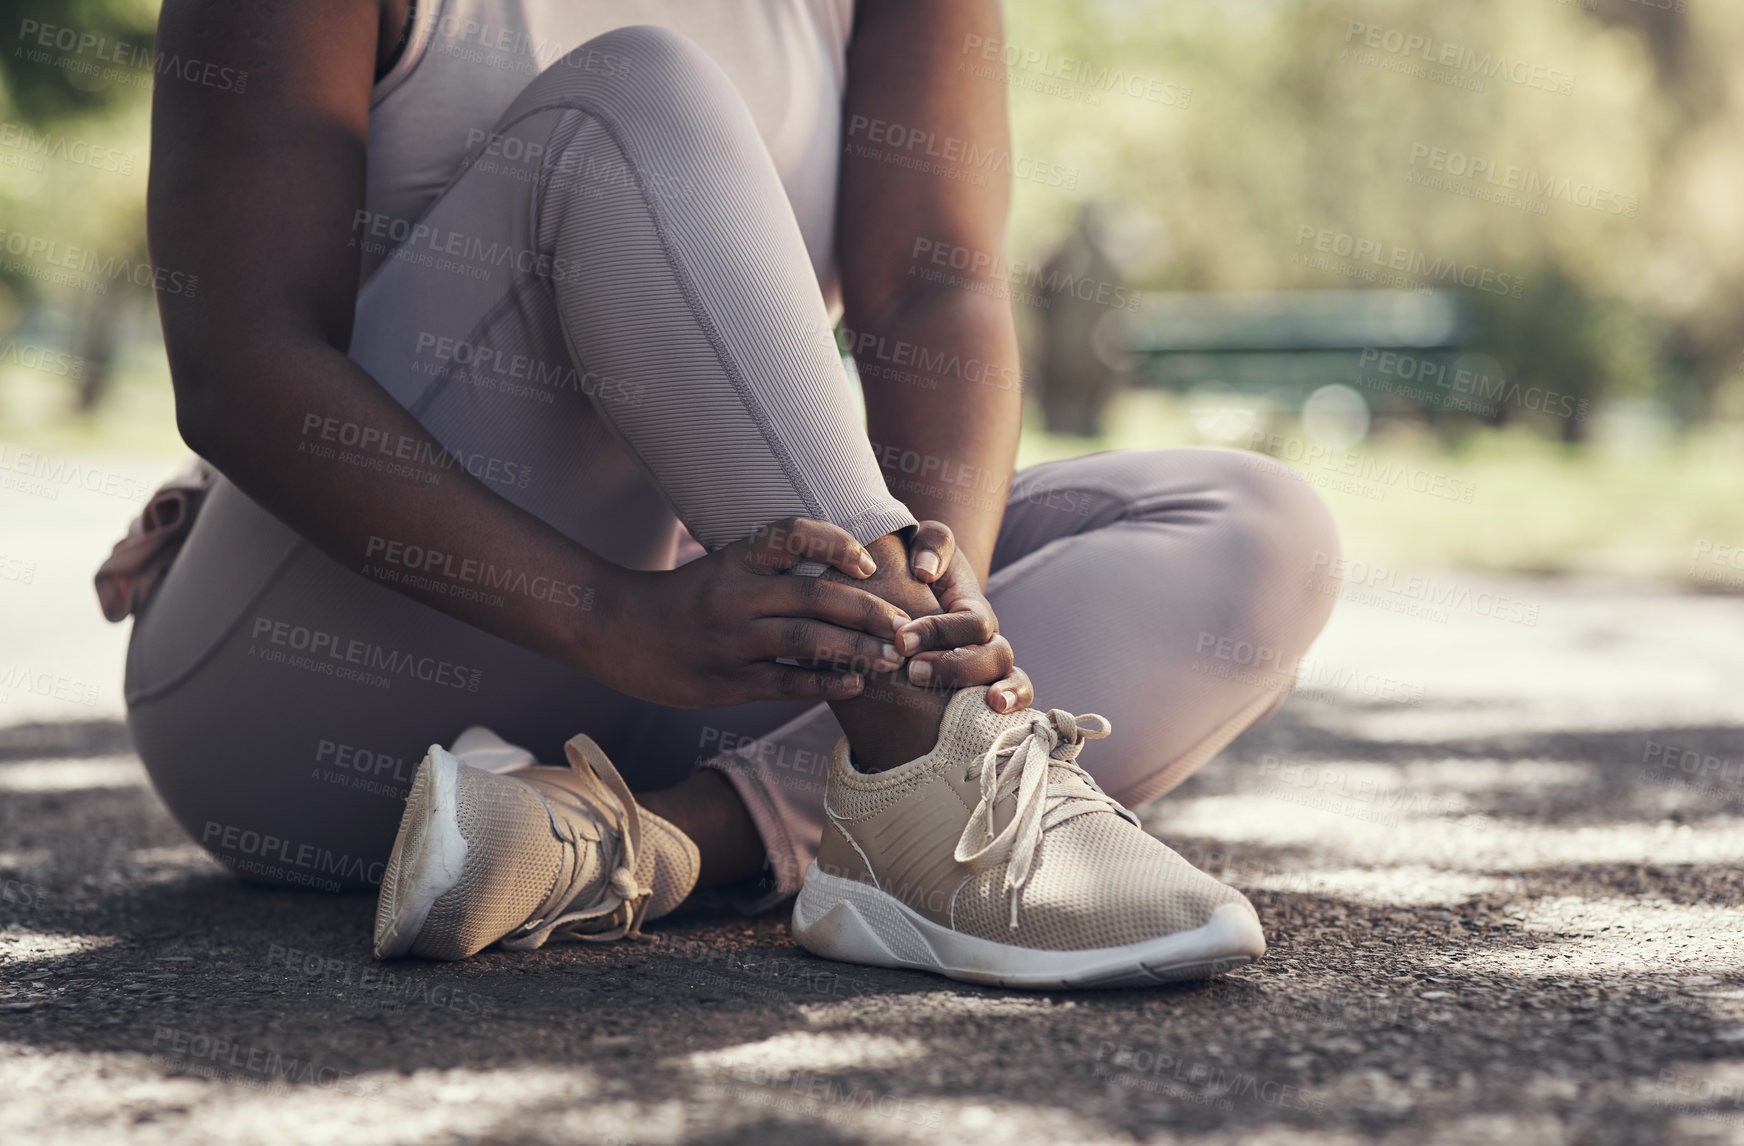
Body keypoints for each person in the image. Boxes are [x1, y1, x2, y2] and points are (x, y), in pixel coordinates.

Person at [111, 0, 1338, 988]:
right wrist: (609, 618)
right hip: (322, 696)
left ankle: (650, 841)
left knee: (1259, 530)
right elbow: (244, 362)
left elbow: (931, 290)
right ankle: (935, 769)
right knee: (636, 91)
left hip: (717, 657)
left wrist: (930, 566)